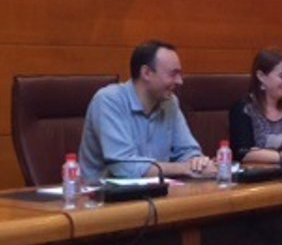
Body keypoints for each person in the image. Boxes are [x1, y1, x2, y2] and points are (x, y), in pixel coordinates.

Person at [78, 40, 212, 181]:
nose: (180, 81)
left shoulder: (170, 102)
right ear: (146, 73)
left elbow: (188, 151)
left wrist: (197, 162)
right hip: (103, 193)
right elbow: (124, 167)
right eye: (173, 74)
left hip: (157, 191)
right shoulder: (109, 100)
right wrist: (184, 168)